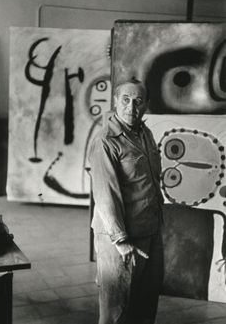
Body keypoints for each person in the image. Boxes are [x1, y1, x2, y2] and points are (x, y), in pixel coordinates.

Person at [89, 79, 164, 324]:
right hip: (120, 237)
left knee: (145, 303)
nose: (131, 107)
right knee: (116, 309)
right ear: (115, 101)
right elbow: (105, 194)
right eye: (125, 99)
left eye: (138, 101)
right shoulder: (105, 141)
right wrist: (121, 240)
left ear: (146, 105)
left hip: (149, 231)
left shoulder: (145, 132)